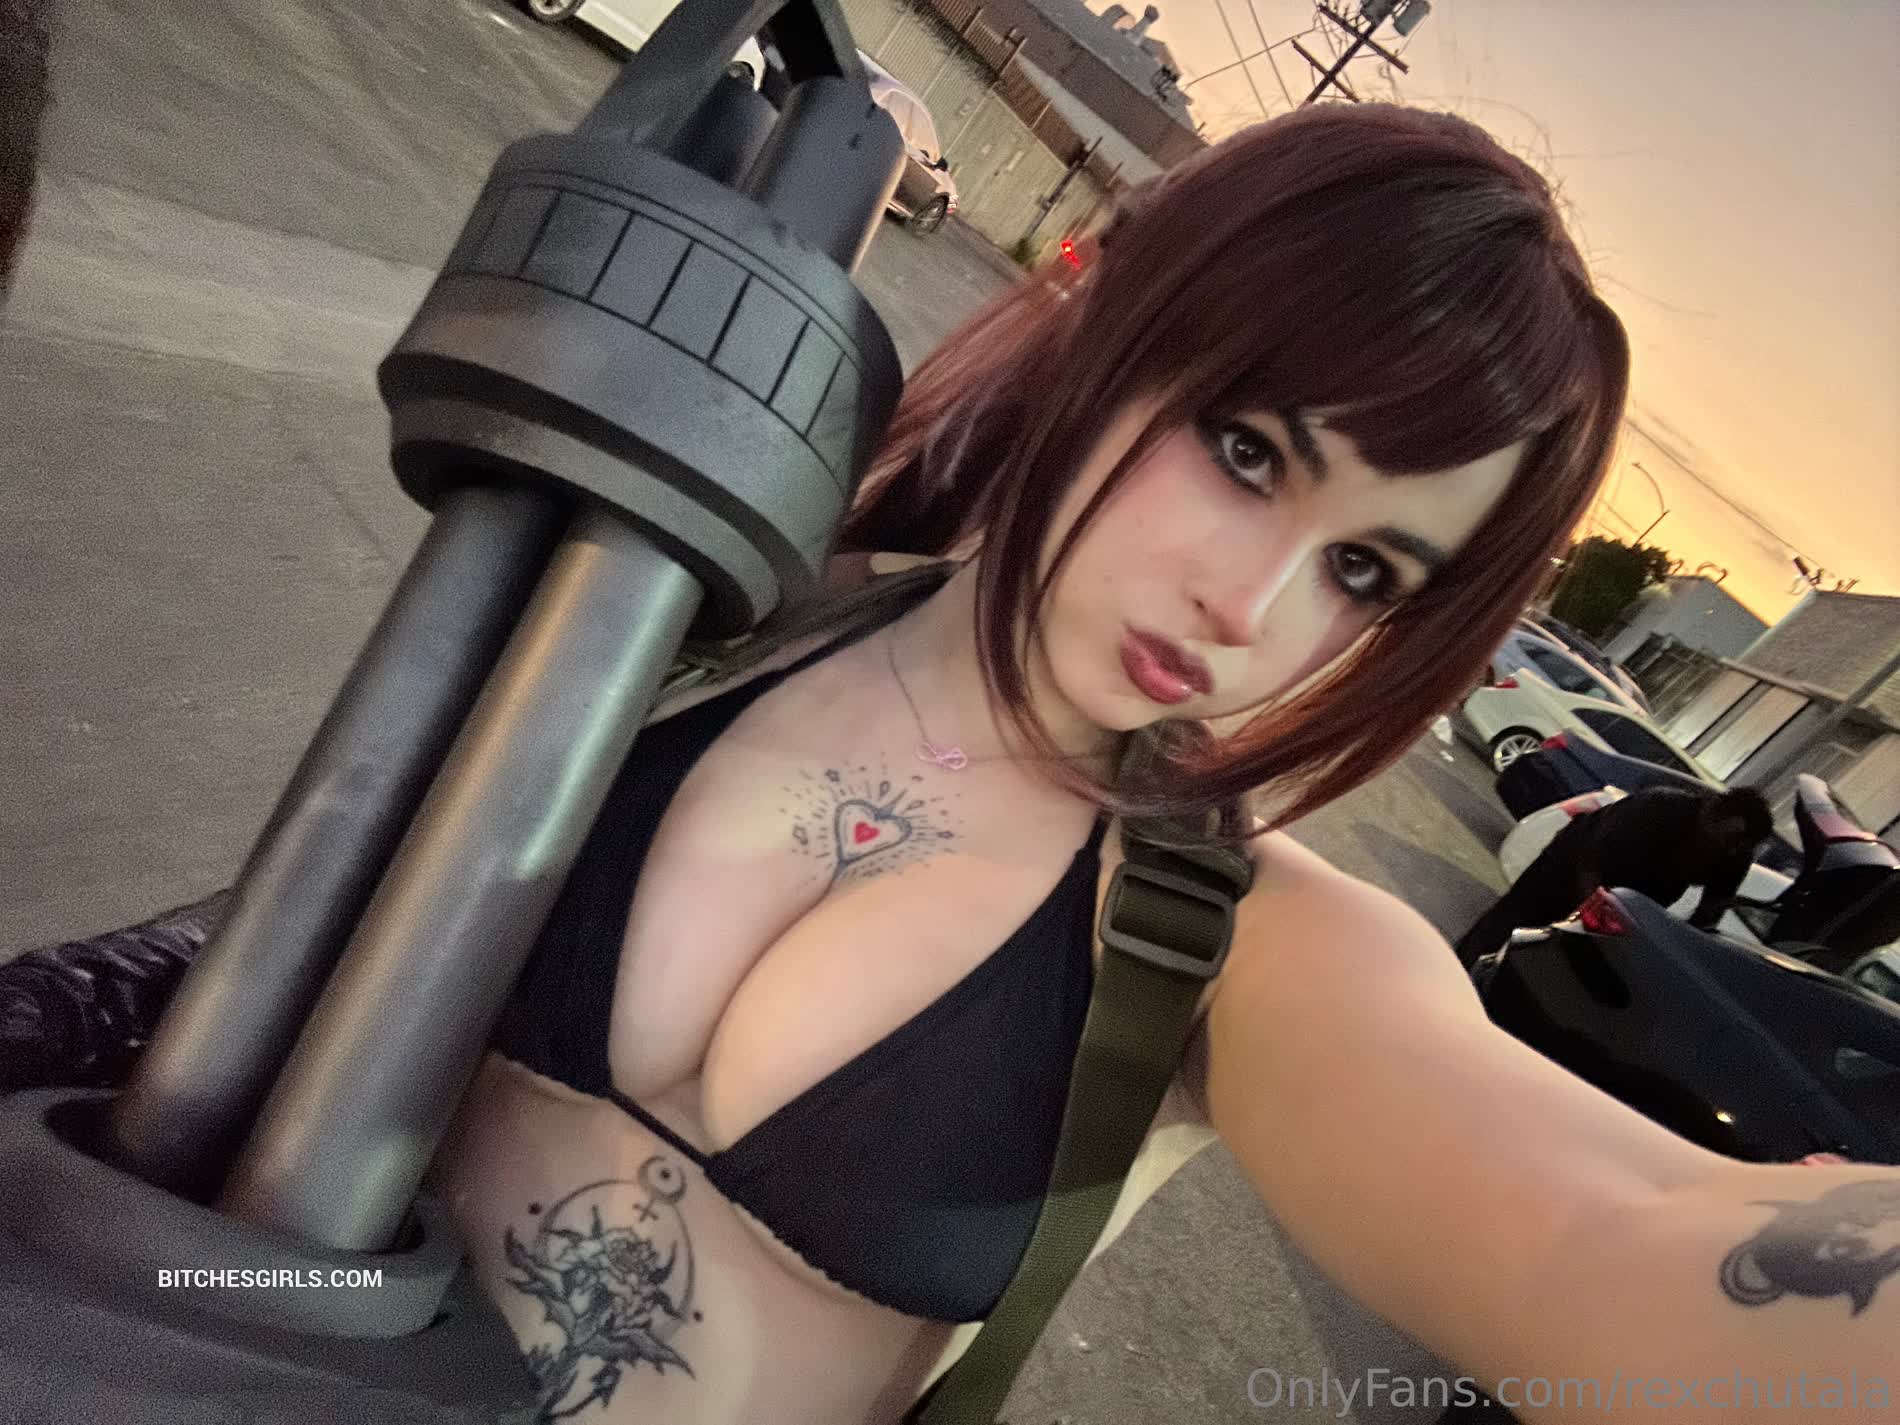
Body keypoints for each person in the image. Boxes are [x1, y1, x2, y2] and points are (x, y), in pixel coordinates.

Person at [11, 99, 1899, 1423]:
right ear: (1119, 328)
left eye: (1364, 571)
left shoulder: (1235, 953)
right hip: (260, 1339)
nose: (1249, 607)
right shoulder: (691, 614)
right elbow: (314, 919)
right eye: (1248, 451)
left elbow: (1616, 1232)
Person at [1454, 785, 1775, 964]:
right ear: (1712, 815)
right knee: (1509, 926)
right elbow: (1590, 858)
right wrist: (1591, 914)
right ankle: (1459, 966)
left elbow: (1706, 919)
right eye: (1729, 839)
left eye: (1741, 846)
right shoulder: (1660, 808)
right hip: (1569, 865)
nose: (1731, 851)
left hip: (1629, 898)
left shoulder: (1735, 856)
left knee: (1548, 960)